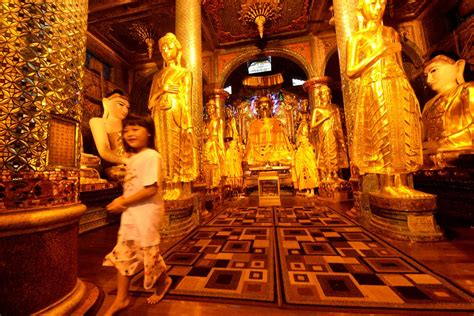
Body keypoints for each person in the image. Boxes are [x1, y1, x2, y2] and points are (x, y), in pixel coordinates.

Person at [346, 0, 425, 197]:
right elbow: (351, 70)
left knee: (401, 127)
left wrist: (410, 90)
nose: (378, 8)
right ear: (362, 8)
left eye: (381, 3)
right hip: (374, 84)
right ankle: (387, 182)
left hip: (397, 82)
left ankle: (402, 182)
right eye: (372, 3)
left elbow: (399, 65)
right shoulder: (357, 37)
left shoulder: (391, 33)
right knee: (383, 130)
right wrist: (378, 53)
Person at [103, 114, 172, 315]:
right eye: (126, 130)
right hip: (132, 213)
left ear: (149, 132)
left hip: (147, 214)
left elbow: (150, 189)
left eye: (135, 129)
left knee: (150, 256)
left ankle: (164, 280)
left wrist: (121, 201)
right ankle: (122, 299)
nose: (129, 134)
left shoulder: (152, 156)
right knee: (123, 254)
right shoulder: (134, 157)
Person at [148, 32, 197, 200]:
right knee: (162, 148)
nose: (166, 51)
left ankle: (176, 184)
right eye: (163, 49)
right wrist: (163, 89)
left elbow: (186, 99)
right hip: (159, 115)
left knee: (175, 148)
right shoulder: (157, 76)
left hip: (176, 113)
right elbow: (150, 102)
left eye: (169, 47)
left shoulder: (184, 73)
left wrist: (188, 125)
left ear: (177, 49)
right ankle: (164, 184)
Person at [421, 53, 474, 168]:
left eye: (434, 70)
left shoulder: (468, 91)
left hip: (463, 161)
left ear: (458, 67)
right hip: (433, 166)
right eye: (425, 76)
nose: (428, 80)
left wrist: (441, 145)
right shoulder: (428, 106)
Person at [311, 84, 348, 182]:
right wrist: (324, 118)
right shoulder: (317, 109)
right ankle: (327, 174)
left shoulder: (335, 108)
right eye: (323, 94)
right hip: (323, 133)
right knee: (326, 152)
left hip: (334, 132)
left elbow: (339, 125)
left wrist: (342, 140)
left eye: (328, 93)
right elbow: (313, 126)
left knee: (334, 151)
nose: (326, 96)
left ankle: (335, 174)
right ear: (320, 96)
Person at [89, 90, 130, 180]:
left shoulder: (127, 127)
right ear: (106, 103)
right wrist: (124, 160)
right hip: (112, 168)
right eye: (121, 104)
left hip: (129, 165)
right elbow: (104, 151)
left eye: (127, 107)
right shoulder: (98, 122)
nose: (125, 110)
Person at [244, 96, 293, 166]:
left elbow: (282, 144)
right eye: (261, 106)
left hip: (274, 152)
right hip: (258, 153)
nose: (264, 109)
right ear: (257, 109)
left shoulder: (277, 123)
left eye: (266, 106)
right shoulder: (253, 125)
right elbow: (250, 146)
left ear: (271, 108)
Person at [202, 99, 225, 189]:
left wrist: (222, 148)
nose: (210, 109)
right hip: (207, 144)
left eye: (212, 107)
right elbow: (204, 133)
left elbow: (220, 135)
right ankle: (208, 184)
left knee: (215, 164)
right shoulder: (206, 121)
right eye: (208, 108)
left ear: (215, 109)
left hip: (215, 144)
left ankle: (216, 184)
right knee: (207, 165)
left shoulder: (219, 120)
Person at [294, 122, 319, 196]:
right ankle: (307, 189)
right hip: (302, 159)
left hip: (308, 159)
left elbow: (311, 153)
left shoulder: (309, 145)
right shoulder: (300, 145)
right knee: (303, 174)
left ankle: (312, 190)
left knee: (310, 173)